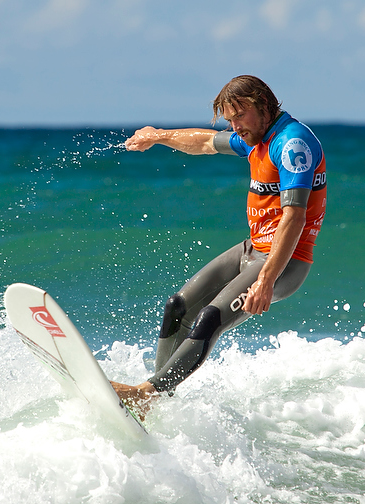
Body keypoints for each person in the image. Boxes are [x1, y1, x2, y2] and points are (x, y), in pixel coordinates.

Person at [112, 75, 327, 415]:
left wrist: (266, 280)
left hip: (284, 262)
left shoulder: (291, 145)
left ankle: (147, 393)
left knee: (210, 318)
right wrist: (158, 136)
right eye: (230, 119)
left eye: (239, 116)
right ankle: (156, 399)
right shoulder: (257, 137)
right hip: (252, 249)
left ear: (264, 106)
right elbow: (204, 142)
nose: (235, 126)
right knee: (178, 307)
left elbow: (295, 217)